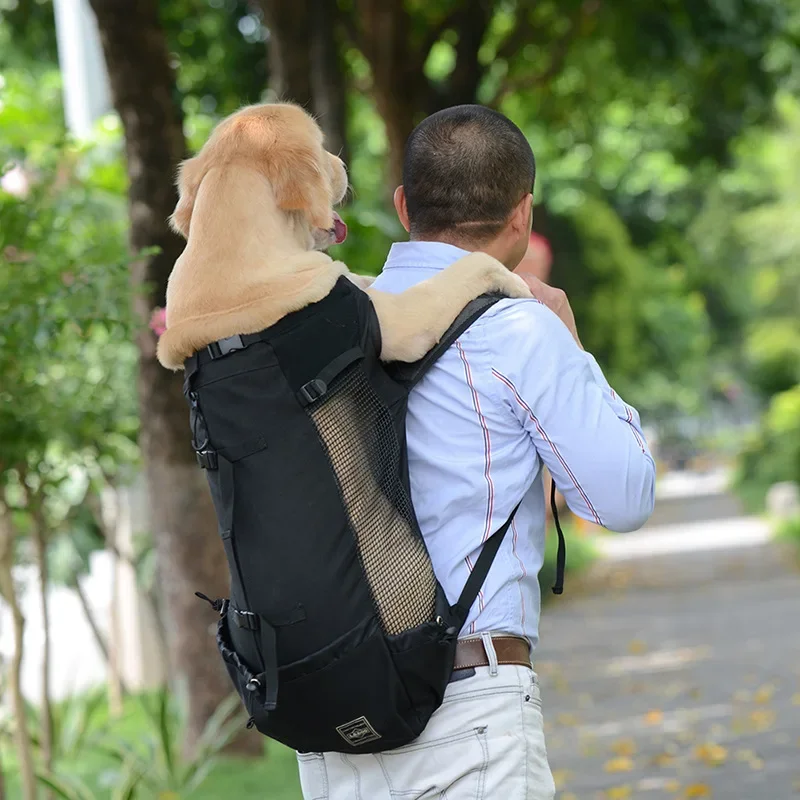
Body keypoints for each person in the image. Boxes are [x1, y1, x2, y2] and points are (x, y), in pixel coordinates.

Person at [299, 105, 656, 799]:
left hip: (333, 723)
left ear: (403, 206)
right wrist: (572, 346)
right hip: (467, 712)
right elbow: (623, 498)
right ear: (521, 214)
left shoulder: (335, 319)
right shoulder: (521, 328)